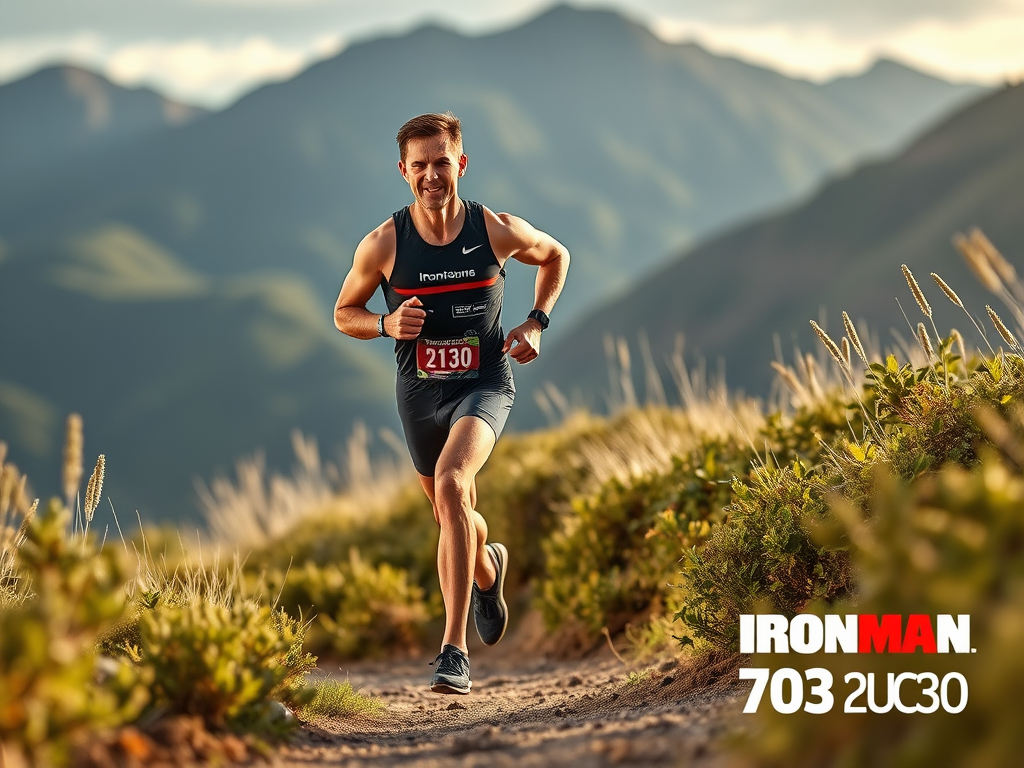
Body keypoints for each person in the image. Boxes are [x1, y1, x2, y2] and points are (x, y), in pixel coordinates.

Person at [333, 112, 569, 694]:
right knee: (450, 513)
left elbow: (556, 255)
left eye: (443, 162)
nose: (432, 175)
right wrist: (387, 323)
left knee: (451, 482)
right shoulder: (385, 243)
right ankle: (487, 569)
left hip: (485, 383)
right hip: (418, 393)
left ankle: (453, 651)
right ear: (403, 172)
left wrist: (536, 322)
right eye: (421, 166)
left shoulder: (495, 229)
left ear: (461, 163)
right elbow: (344, 313)